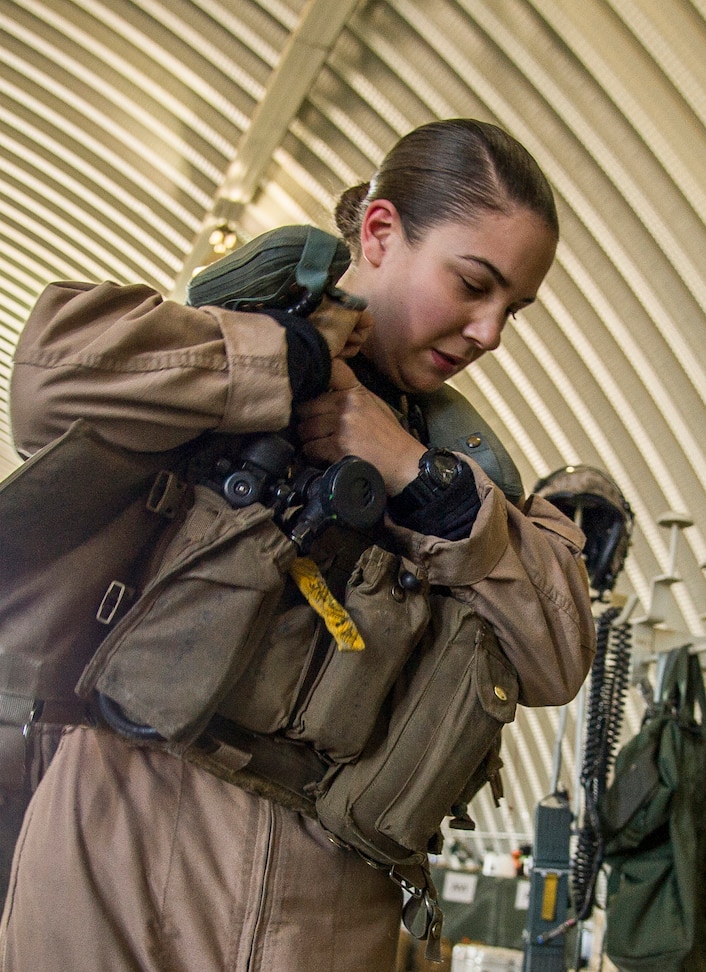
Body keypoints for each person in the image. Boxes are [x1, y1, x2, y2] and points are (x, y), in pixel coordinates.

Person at [0, 118, 596, 971]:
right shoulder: (227, 338)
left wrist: (411, 472)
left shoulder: (466, 473)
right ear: (382, 233)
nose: (489, 332)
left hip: (330, 891)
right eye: (473, 284)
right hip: (122, 833)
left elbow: (559, 653)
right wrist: (290, 363)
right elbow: (47, 380)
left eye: (514, 309)